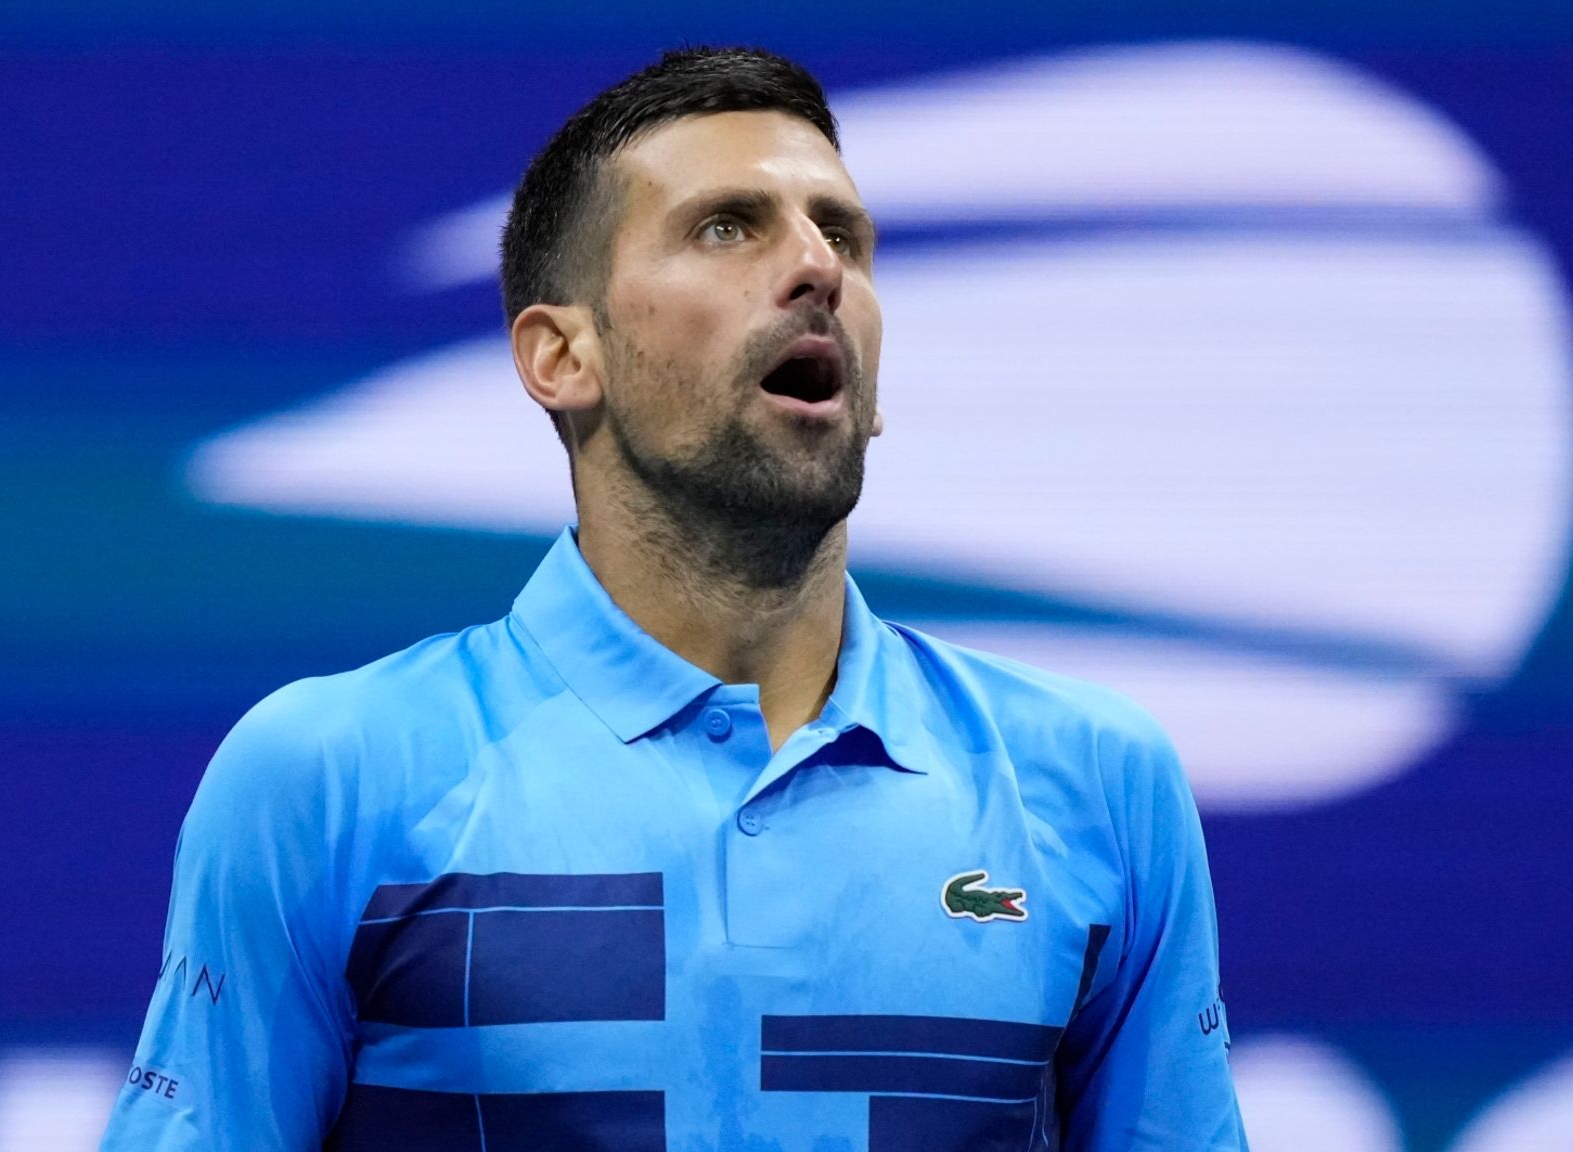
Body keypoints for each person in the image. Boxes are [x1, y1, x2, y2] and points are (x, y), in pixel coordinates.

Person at [102, 46, 1248, 1151]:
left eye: (838, 232)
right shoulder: (329, 776)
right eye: (725, 227)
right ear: (561, 357)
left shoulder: (1097, 782)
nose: (817, 269)